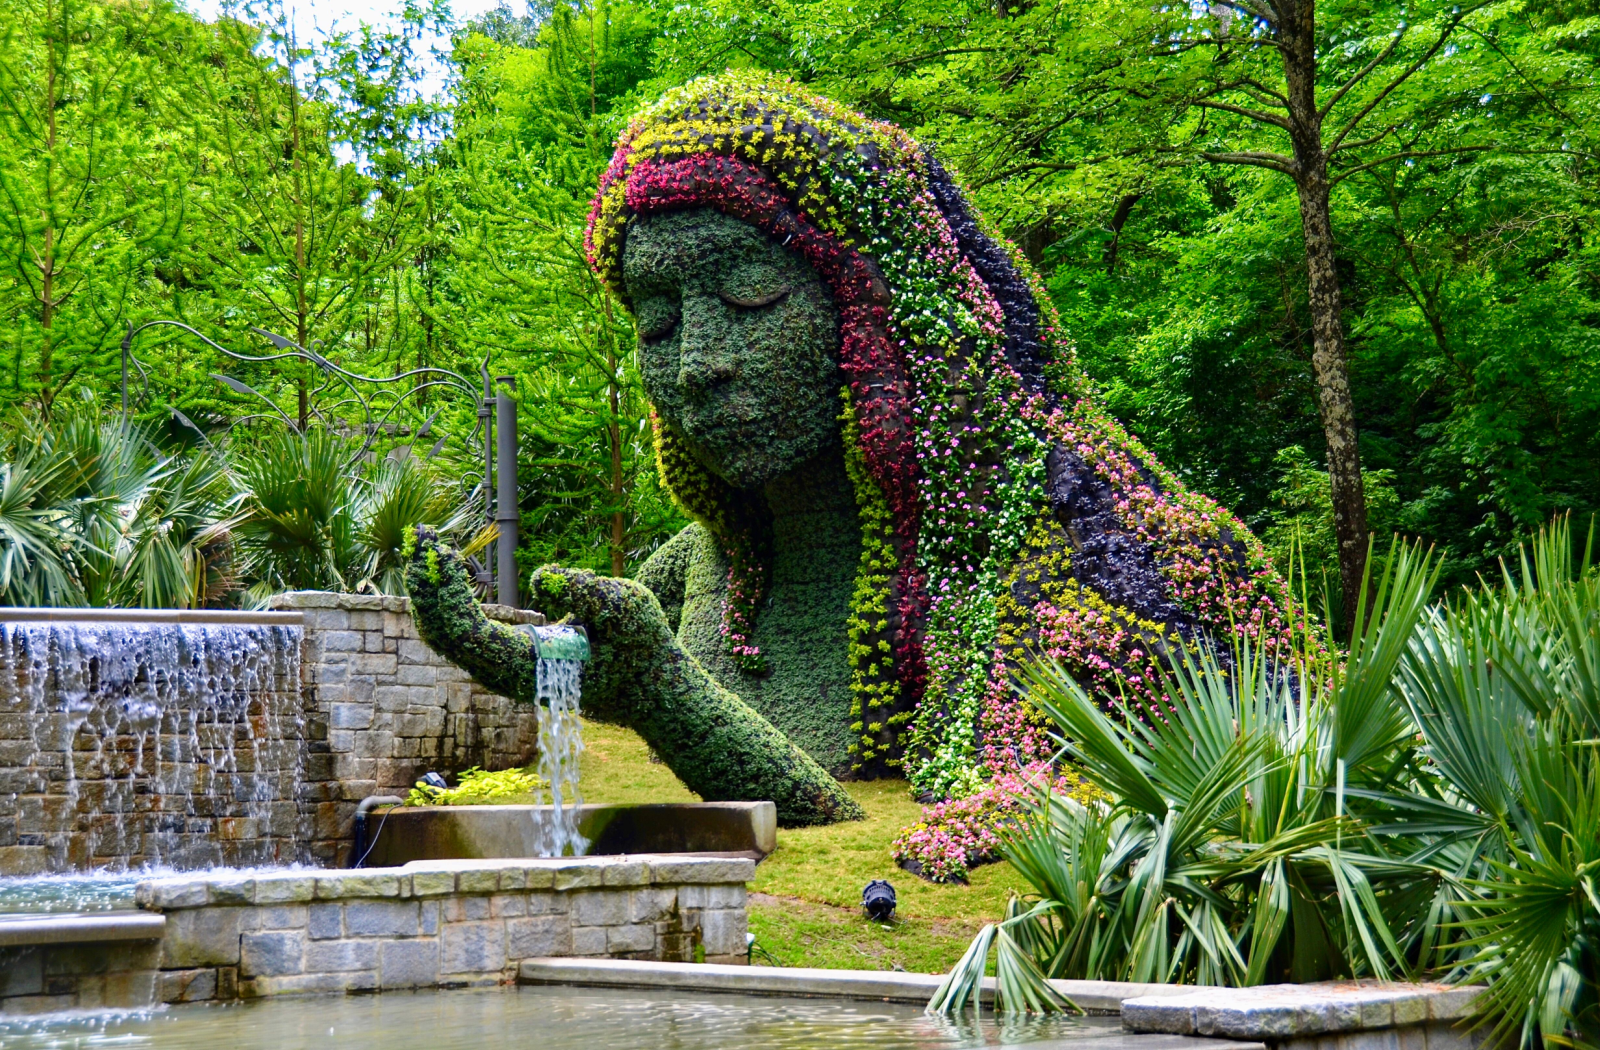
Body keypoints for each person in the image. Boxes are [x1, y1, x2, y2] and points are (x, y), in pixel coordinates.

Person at [407, 72, 1303, 825]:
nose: (698, 367)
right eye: (659, 320)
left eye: (752, 295)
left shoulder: (1089, 561)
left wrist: (659, 693)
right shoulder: (706, 570)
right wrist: (531, 661)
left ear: (874, 310)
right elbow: (643, 669)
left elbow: (905, 848)